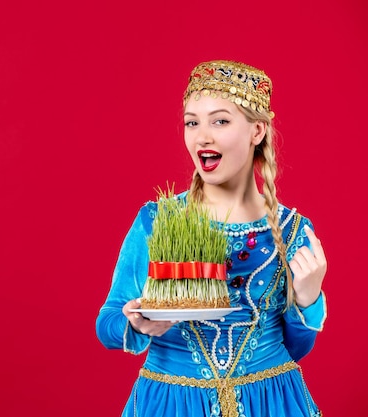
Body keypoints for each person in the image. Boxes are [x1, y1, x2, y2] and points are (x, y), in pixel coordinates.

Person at [95, 60, 327, 417]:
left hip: (272, 400)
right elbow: (108, 322)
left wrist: (308, 298)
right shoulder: (159, 221)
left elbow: (297, 348)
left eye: (220, 121)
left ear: (257, 131)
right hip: (172, 402)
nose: (202, 136)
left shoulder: (293, 231)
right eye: (192, 122)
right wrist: (135, 322)